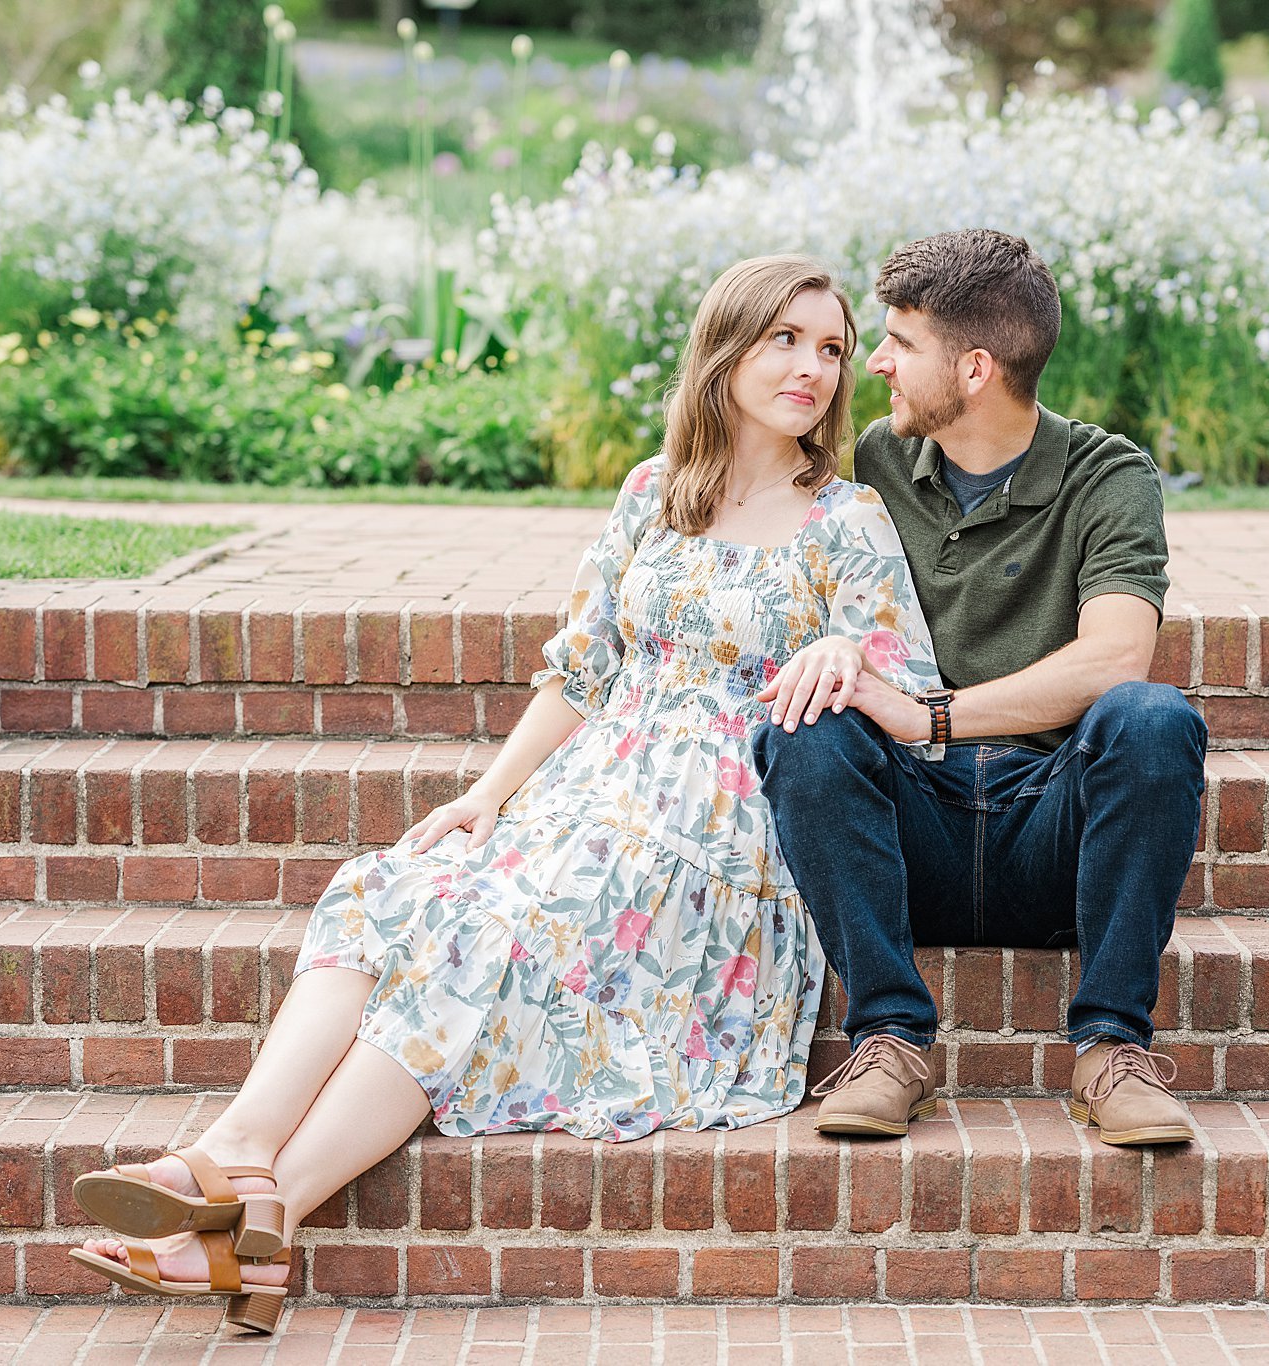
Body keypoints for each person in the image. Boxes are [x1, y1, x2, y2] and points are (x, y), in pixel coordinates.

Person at [63, 255, 940, 1332]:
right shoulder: (652, 491)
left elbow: (913, 689)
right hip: (594, 791)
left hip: (719, 825)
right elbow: (583, 669)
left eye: (831, 348)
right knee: (387, 889)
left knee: (485, 935)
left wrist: (847, 650)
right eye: (784, 338)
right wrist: (485, 796)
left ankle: (258, 1204)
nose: (811, 367)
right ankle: (241, 1164)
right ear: (726, 347)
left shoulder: (842, 518)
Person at [754, 228, 1208, 1145]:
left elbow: (1115, 659)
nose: (873, 362)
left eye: (900, 344)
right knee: (805, 726)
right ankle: (888, 1038)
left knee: (1153, 718)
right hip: (904, 825)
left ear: (972, 370)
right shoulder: (872, 460)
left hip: (1053, 827)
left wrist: (928, 713)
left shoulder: (1107, 476)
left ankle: (1110, 1048)